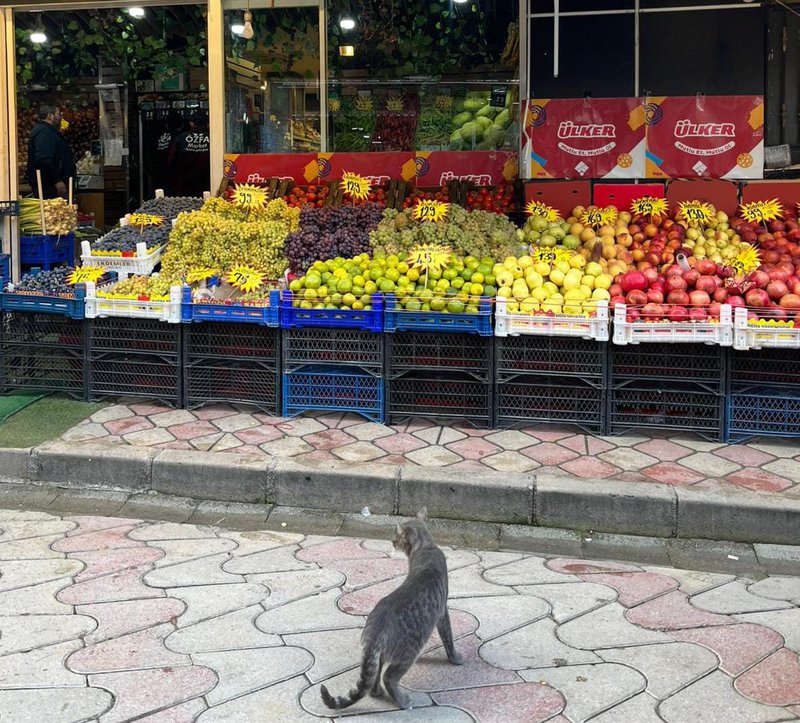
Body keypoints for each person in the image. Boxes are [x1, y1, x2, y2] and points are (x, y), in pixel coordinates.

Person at [26, 102, 76, 199]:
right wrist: (57, 180)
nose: (61, 117)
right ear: (50, 116)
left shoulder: (47, 131)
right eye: (58, 114)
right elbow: (44, 159)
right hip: (50, 188)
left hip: (52, 185)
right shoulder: (44, 132)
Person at [168, 109, 210, 197]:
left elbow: (171, 161)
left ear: (191, 123)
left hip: (185, 186)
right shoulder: (214, 138)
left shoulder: (181, 138)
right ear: (207, 123)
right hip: (208, 185)